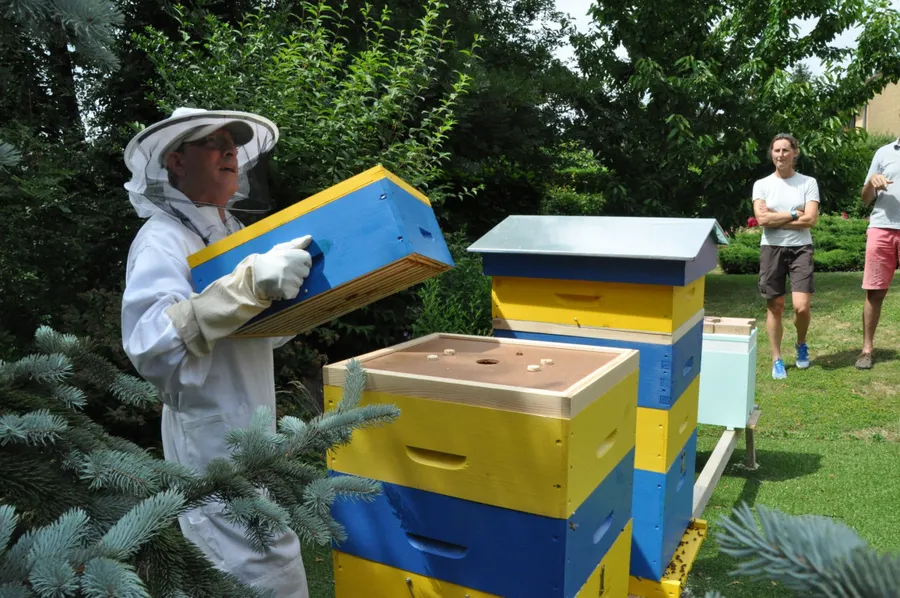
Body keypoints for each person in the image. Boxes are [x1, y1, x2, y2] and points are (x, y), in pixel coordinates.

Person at [120, 107, 312, 597]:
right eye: (213, 141)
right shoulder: (163, 239)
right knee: (248, 570)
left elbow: (253, 335)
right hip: (211, 443)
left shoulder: (224, 237)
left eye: (233, 143)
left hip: (253, 427)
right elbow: (152, 345)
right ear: (176, 161)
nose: (229, 151)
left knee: (269, 560)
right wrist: (246, 287)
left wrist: (307, 302)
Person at [751, 133, 820, 380]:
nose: (780, 155)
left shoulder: (808, 182)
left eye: (785, 150)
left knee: (801, 307)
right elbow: (762, 220)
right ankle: (777, 358)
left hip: (801, 248)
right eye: (776, 150)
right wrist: (793, 214)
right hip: (771, 248)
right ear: (771, 153)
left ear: (795, 153)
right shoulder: (762, 185)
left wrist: (776, 218)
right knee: (775, 306)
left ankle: (801, 343)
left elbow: (810, 219)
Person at [856, 135, 900, 370]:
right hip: (882, 228)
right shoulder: (883, 152)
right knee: (874, 292)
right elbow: (865, 199)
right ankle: (866, 350)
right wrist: (872, 182)